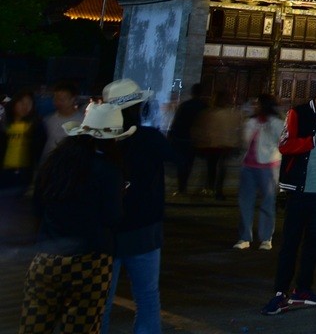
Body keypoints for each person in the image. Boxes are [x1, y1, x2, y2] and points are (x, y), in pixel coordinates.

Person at [20, 102, 129, 334]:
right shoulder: (108, 170)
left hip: (47, 256)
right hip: (90, 261)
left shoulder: (57, 162)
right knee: (81, 326)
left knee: (34, 325)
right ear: (112, 139)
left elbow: (38, 205)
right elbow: (113, 216)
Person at [262, 74, 316, 316]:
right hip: (299, 189)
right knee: (290, 243)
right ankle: (280, 293)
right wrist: (315, 140)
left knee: (315, 244)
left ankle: (303, 290)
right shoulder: (298, 113)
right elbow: (285, 145)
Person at [99, 79, 166, 334]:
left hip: (106, 230)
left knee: (101, 299)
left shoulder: (100, 140)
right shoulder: (150, 138)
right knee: (147, 296)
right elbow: (179, 157)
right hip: (144, 228)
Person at [236, 96, 283, 252]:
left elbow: (282, 141)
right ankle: (244, 237)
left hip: (268, 165)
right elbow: (244, 141)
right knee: (245, 203)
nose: (254, 106)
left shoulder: (276, 123)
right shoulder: (251, 122)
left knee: (268, 203)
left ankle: (266, 238)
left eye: (257, 104)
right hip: (248, 165)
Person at [166, 85, 208, 199]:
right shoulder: (203, 106)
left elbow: (176, 122)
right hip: (194, 140)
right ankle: (185, 187)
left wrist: (171, 136)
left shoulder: (185, 105)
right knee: (189, 163)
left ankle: (181, 188)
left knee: (182, 163)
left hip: (182, 138)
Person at [194, 97, 240, 201]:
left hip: (213, 145)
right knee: (221, 169)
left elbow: (203, 129)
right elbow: (235, 129)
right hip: (225, 145)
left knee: (212, 168)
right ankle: (218, 191)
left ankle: (210, 188)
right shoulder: (230, 114)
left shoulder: (210, 114)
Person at [2, 93, 45, 195]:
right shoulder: (5, 123)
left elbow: (39, 149)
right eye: (21, 102)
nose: (25, 106)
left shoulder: (36, 125)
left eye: (29, 103)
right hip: (4, 171)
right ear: (14, 103)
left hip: (24, 173)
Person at [39, 82, 83, 166]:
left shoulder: (83, 122)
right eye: (56, 99)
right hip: (47, 165)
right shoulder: (47, 120)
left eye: (62, 99)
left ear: (73, 99)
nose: (58, 102)